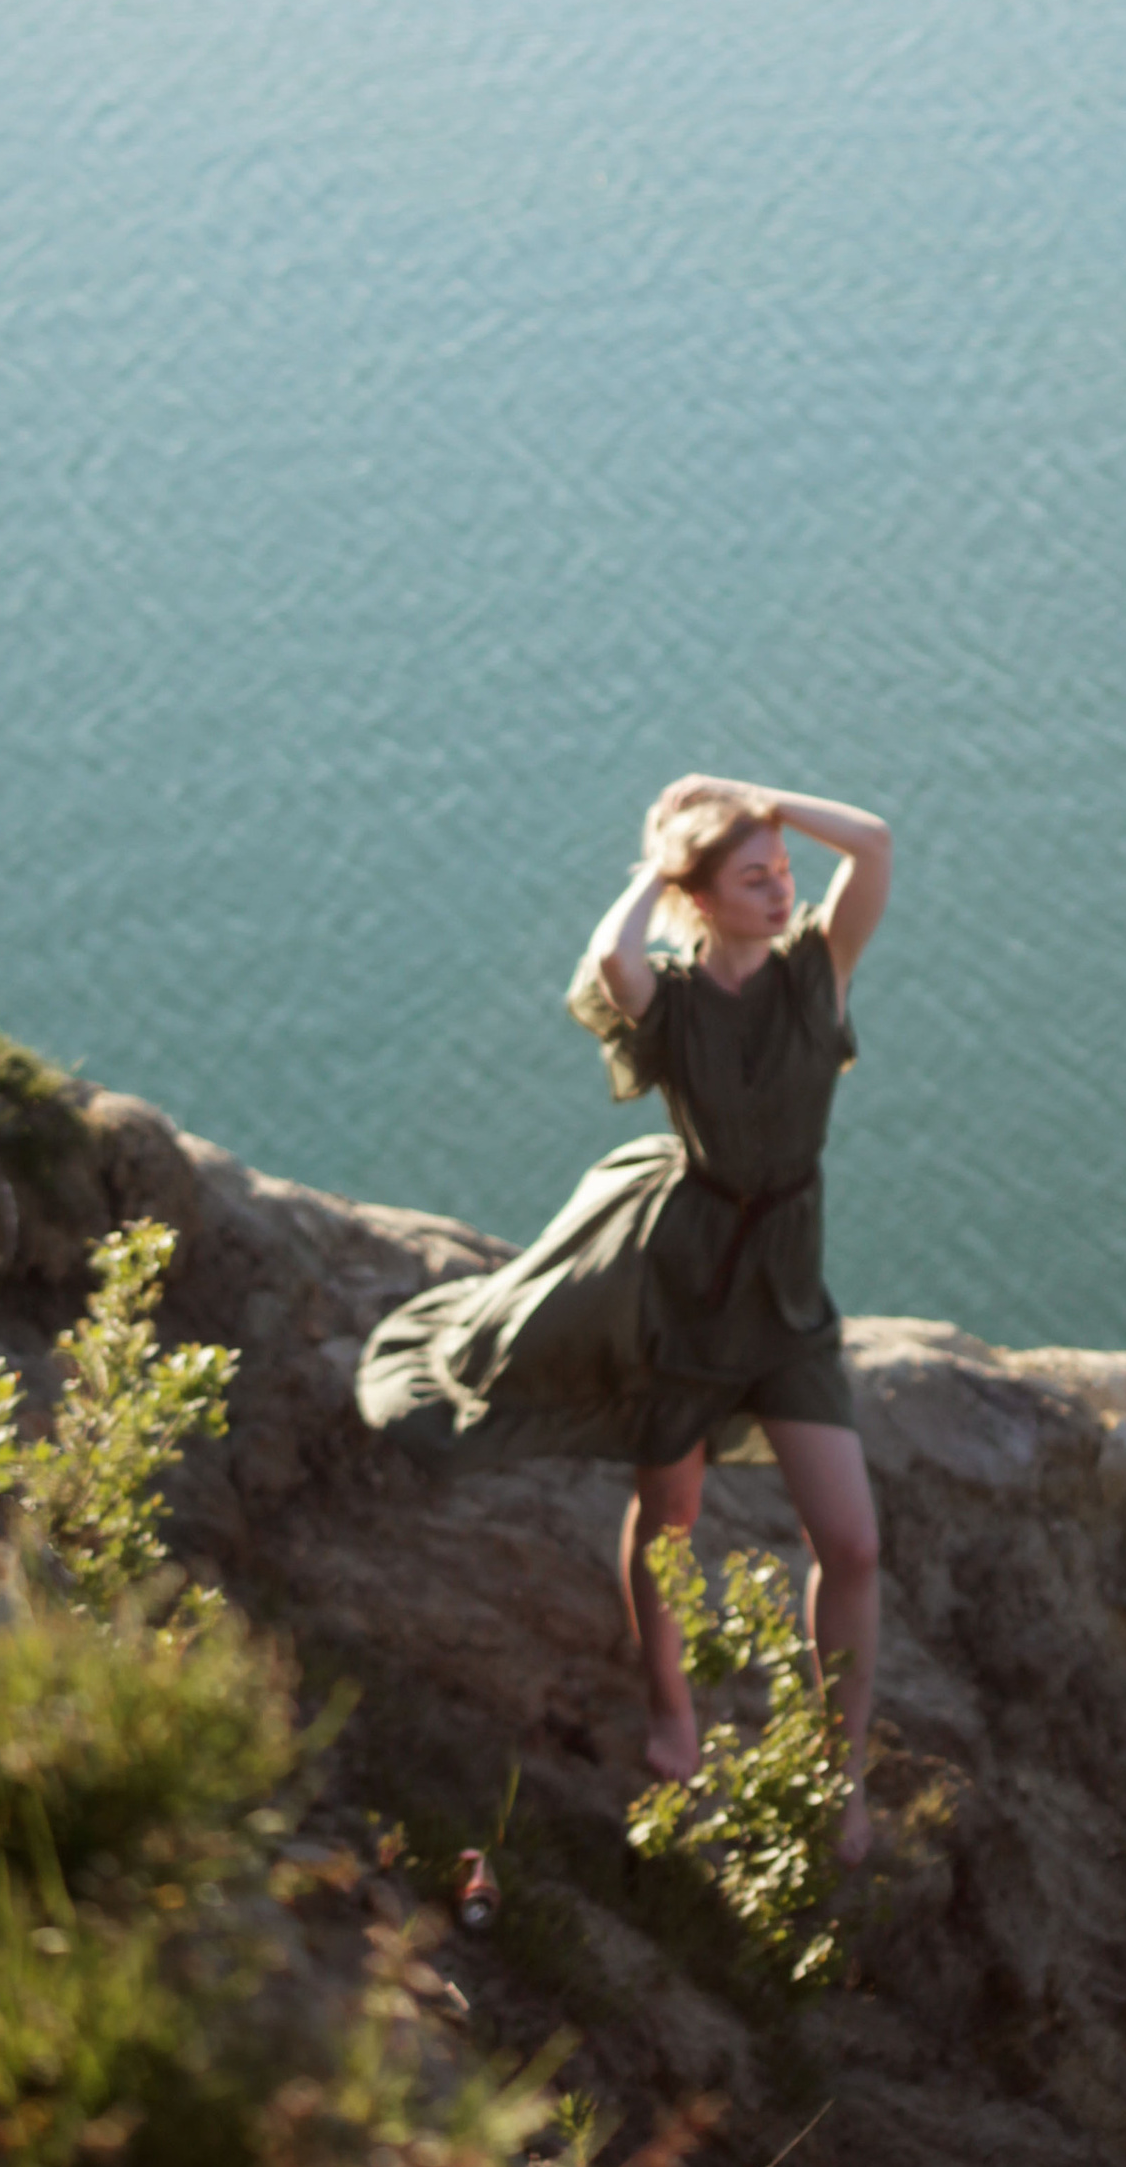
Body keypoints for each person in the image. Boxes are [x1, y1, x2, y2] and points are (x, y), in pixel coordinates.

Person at [355, 775, 893, 1862]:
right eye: (755, 878)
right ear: (700, 898)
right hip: (685, 1291)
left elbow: (874, 843)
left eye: (783, 871)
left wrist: (762, 807)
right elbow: (614, 960)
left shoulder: (816, 976)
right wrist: (661, 861)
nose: (783, 888)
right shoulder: (673, 1003)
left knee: (852, 1543)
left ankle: (840, 1779)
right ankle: (670, 1710)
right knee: (673, 1514)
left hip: (788, 1292)